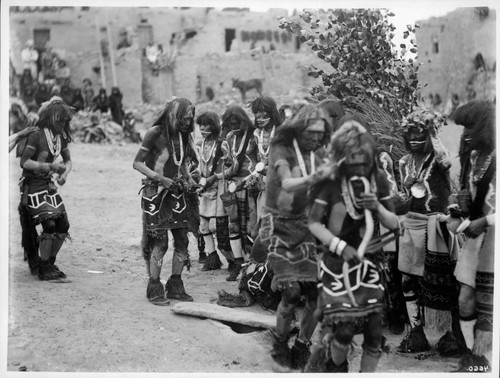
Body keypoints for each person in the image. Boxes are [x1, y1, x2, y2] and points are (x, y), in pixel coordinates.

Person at [306, 114, 400, 372]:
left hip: (369, 265)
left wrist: (378, 208)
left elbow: (395, 225)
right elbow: (313, 223)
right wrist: (340, 247)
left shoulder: (377, 178)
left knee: (373, 332)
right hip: (336, 263)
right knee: (344, 331)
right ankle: (335, 368)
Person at [264, 104, 331, 370]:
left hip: (307, 229)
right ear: (300, 129)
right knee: (291, 294)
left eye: (320, 133)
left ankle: (302, 344)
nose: (315, 138)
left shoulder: (319, 154)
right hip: (278, 226)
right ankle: (279, 342)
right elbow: (289, 184)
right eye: (311, 132)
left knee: (316, 296)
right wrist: (319, 176)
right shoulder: (282, 150)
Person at [396, 108, 465, 356]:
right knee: (408, 279)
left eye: (420, 135)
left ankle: (450, 335)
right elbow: (403, 197)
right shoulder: (403, 163)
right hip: (412, 224)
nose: (415, 140)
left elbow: (446, 161)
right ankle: (416, 332)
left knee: (444, 280)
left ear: (430, 135)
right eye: (411, 135)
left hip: (438, 226)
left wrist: (434, 133)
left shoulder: (438, 159)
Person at [133, 97, 198, 305]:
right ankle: (154, 288)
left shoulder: (185, 135)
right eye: (184, 119)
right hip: (156, 194)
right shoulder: (155, 133)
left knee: (183, 241)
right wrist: (160, 179)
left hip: (177, 193)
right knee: (160, 242)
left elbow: (182, 164)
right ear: (174, 116)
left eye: (190, 119)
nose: (188, 123)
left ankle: (176, 285)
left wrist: (189, 179)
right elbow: (137, 163)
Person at [451, 101, 495, 371]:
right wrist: (460, 206)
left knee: (489, 302)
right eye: (464, 127)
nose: (465, 133)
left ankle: (488, 358)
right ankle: (473, 356)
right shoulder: (474, 157)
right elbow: (470, 201)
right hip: (476, 239)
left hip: (494, 241)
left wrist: (487, 220)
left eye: (471, 126)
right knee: (465, 298)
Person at [17, 96, 75, 280]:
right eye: (60, 121)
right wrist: (50, 167)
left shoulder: (60, 137)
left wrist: (64, 174)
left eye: (65, 121)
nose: (63, 125)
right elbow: (24, 163)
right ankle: (43, 267)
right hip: (32, 186)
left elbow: (68, 160)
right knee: (49, 225)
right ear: (51, 119)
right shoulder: (37, 134)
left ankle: (49, 263)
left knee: (63, 224)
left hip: (48, 186)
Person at [220, 105, 258, 280]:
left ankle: (251, 268)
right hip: (233, 186)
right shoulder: (229, 137)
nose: (234, 127)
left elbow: (259, 162)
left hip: (250, 186)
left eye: (237, 123)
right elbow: (230, 163)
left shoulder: (254, 135)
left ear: (244, 120)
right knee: (233, 226)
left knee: (250, 228)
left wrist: (247, 179)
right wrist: (226, 164)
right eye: (230, 124)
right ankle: (236, 263)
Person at [195, 112, 234, 272]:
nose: (203, 128)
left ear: (215, 126)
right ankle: (212, 258)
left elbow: (231, 167)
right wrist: (197, 177)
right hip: (204, 188)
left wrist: (216, 177)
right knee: (203, 226)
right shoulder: (200, 144)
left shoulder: (222, 144)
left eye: (207, 125)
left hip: (219, 188)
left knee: (216, 227)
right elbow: (199, 166)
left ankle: (233, 259)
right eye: (201, 125)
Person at [249, 96, 282, 238]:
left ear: (271, 112)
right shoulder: (256, 134)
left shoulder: (282, 132)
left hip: (281, 182)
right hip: (264, 184)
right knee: (264, 220)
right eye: (256, 112)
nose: (259, 117)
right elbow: (250, 155)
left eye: (262, 112)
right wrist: (256, 171)